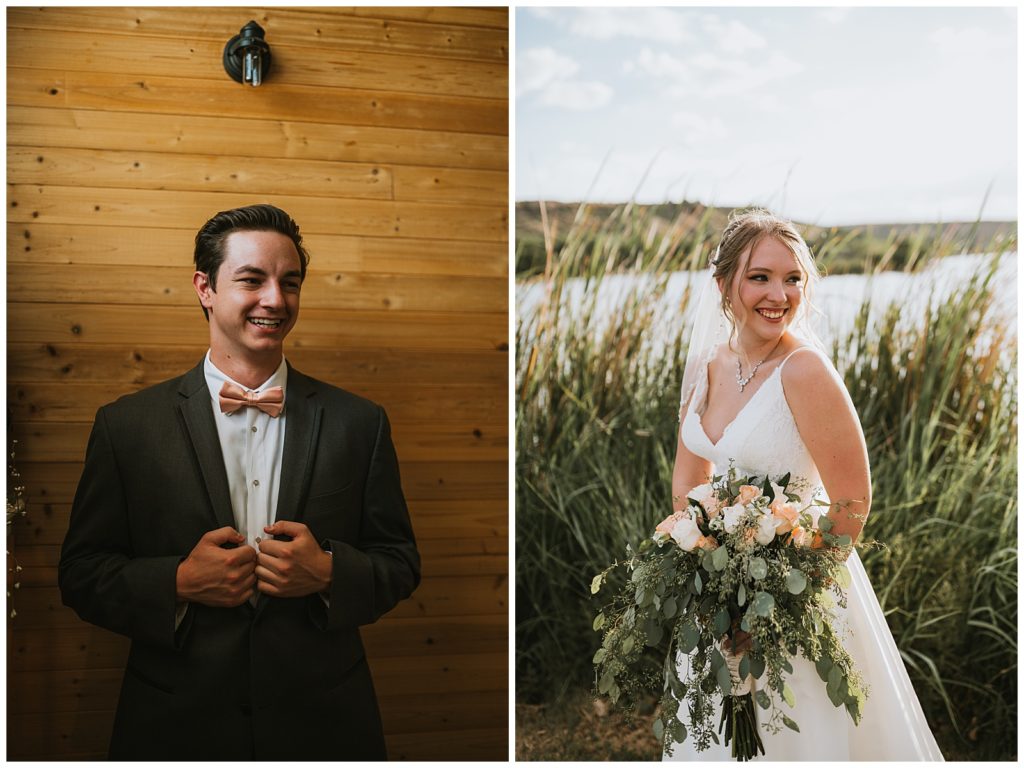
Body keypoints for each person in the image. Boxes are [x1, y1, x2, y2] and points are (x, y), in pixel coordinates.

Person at [58, 204, 420, 760]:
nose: (275, 300)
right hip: (174, 723)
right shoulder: (125, 426)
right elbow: (81, 575)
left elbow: (399, 563)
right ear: (205, 288)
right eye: (252, 279)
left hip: (324, 723)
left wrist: (327, 573)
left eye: (289, 282)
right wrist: (177, 582)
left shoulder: (360, 423)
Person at [665, 209, 943, 760]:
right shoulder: (704, 366)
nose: (779, 294)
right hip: (717, 594)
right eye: (759, 277)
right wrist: (703, 566)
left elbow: (851, 501)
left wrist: (776, 603)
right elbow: (687, 477)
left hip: (800, 595)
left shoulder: (805, 371)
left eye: (793, 279)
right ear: (723, 284)